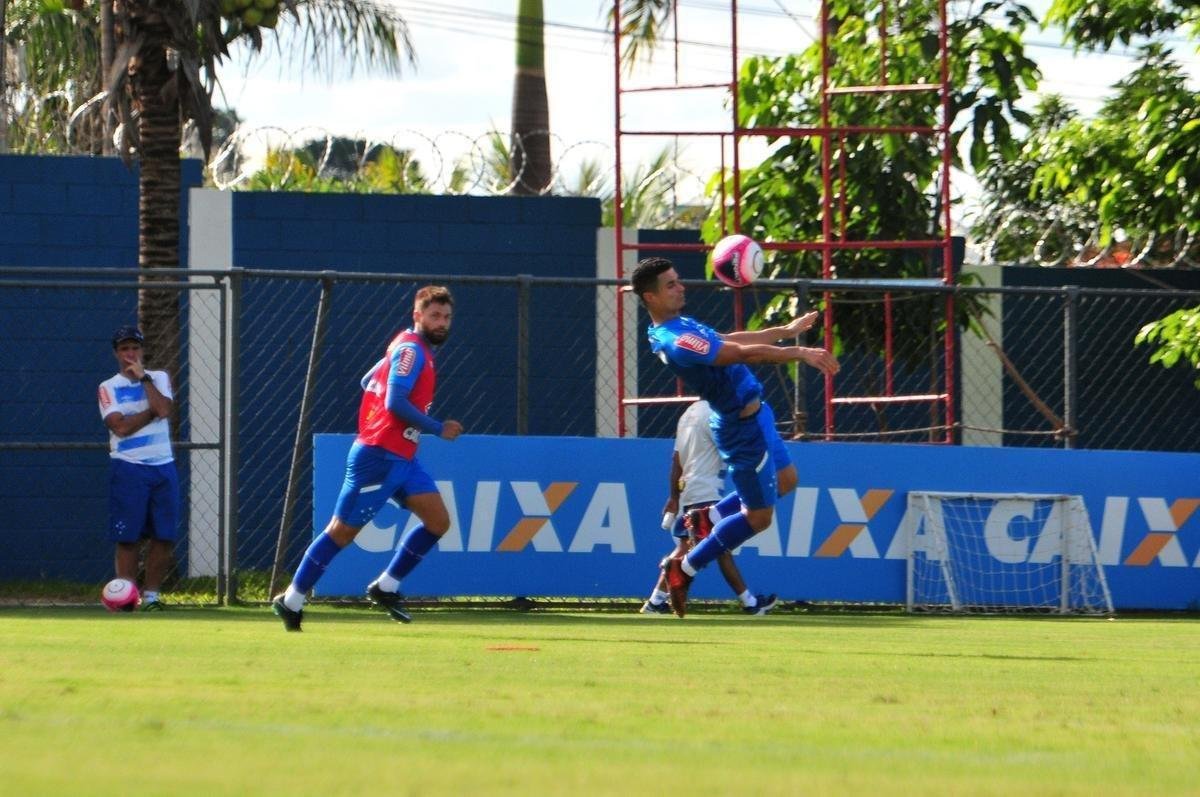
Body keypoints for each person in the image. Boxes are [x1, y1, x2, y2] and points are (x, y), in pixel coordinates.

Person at [630, 257, 840, 617]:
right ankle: (686, 567)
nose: (681, 287)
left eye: (678, 280)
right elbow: (740, 353)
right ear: (650, 297)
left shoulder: (677, 325)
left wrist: (784, 332)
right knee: (759, 519)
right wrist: (799, 352)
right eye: (670, 285)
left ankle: (707, 518)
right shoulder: (677, 339)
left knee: (787, 480)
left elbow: (729, 339)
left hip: (759, 415)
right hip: (742, 429)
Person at [272, 285, 464, 631]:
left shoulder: (407, 345)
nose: (442, 323)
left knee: (438, 521)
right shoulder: (411, 350)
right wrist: (436, 427)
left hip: (402, 456)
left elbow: (367, 381)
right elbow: (394, 402)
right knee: (341, 533)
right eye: (434, 315)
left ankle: (386, 586)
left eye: (447, 317)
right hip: (378, 455)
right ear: (417, 316)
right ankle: (292, 600)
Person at [641, 400, 778, 616]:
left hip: (689, 486)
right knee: (713, 546)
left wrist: (674, 496)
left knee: (709, 546)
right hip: (707, 488)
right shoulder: (716, 413)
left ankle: (657, 601)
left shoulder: (688, 413)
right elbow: (731, 448)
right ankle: (750, 603)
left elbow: (676, 459)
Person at [97, 325, 179, 611]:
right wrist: (152, 412)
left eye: (134, 348)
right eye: (124, 349)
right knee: (128, 536)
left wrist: (144, 379)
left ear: (142, 351)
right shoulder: (108, 387)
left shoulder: (158, 378)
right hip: (128, 467)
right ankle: (126, 596)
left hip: (163, 466)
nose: (130, 354)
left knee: (164, 534)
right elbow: (120, 427)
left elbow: (166, 409)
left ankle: (152, 597)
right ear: (116, 354)